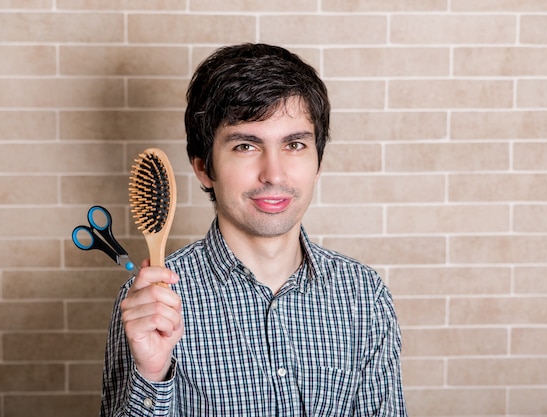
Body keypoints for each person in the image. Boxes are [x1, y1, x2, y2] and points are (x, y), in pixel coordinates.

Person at [100, 43, 408, 416]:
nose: (274, 174)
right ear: (203, 167)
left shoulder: (363, 296)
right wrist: (151, 374)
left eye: (294, 144)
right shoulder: (151, 304)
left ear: (318, 162)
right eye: (246, 145)